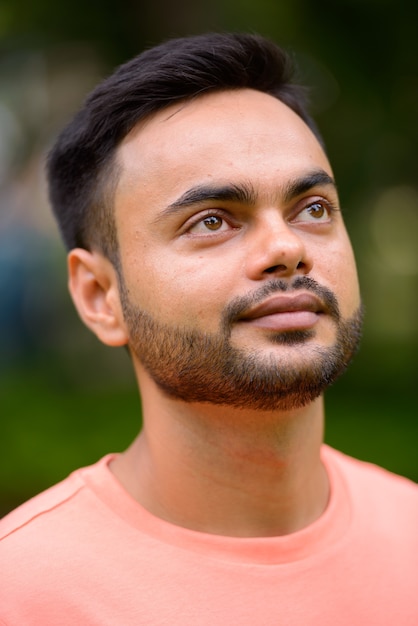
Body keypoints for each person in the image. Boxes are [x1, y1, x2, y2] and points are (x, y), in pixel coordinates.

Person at [0, 32, 416, 625]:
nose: (287, 247)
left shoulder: (410, 534)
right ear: (100, 296)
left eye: (313, 208)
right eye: (213, 220)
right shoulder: (22, 594)